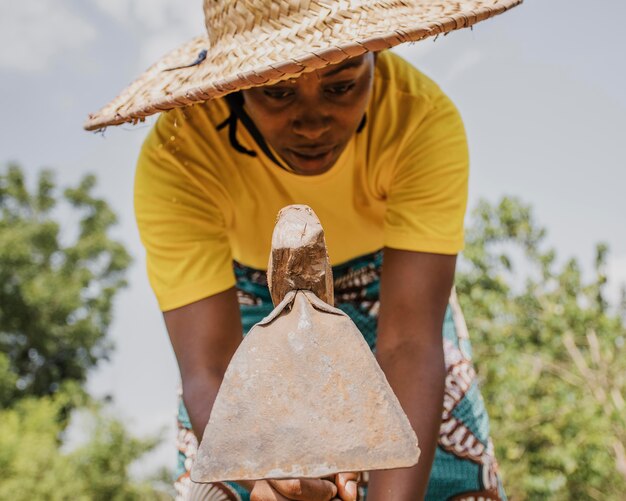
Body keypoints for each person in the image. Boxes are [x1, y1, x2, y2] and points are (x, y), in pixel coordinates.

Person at [85, 1, 523, 500]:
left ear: (374, 57)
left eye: (341, 85)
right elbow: (210, 368)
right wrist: (264, 473)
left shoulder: (420, 121)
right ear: (236, 85)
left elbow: (408, 343)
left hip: (392, 292)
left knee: (445, 465)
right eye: (276, 91)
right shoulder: (180, 157)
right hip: (248, 303)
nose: (313, 123)